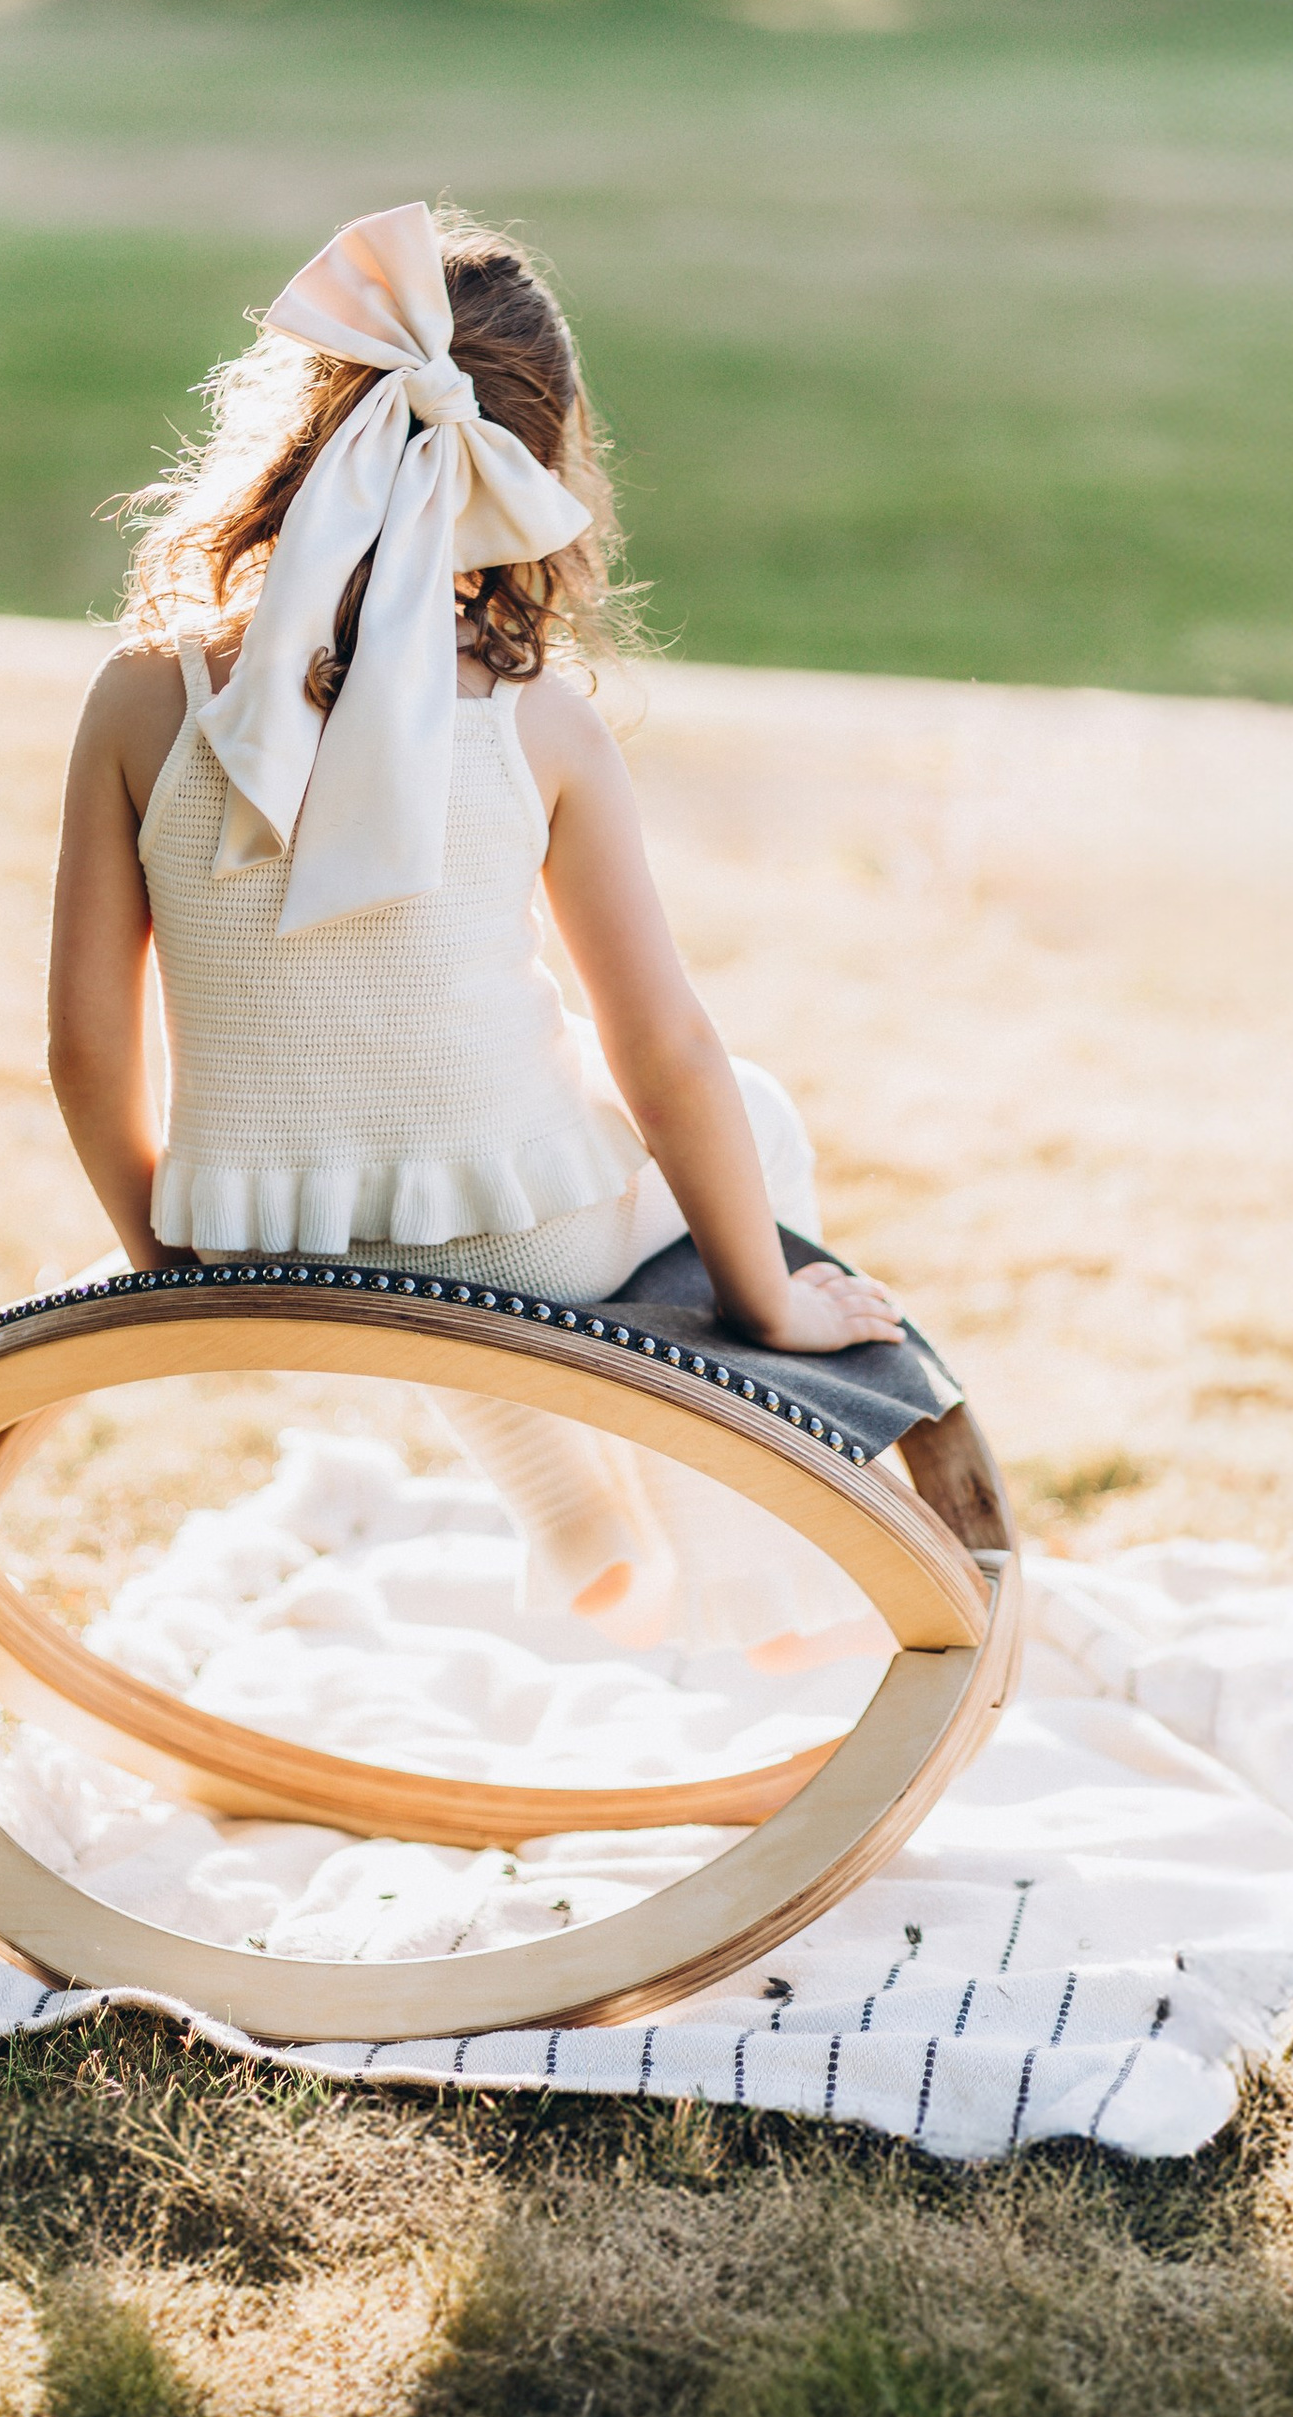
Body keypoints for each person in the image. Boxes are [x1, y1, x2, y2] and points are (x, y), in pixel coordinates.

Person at [45, 198, 904, 1627]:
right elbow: (667, 1056)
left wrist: (168, 1253)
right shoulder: (536, 726)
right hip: (521, 1249)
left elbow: (83, 1048)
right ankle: (748, 1573)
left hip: (252, 1234)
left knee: (409, 1179)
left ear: (305, 426)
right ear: (531, 472)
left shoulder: (143, 698)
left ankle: (570, 1515)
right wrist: (775, 1307)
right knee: (741, 1118)